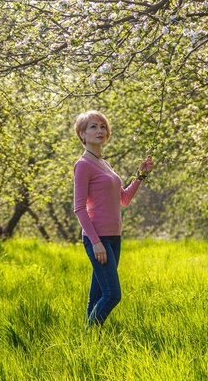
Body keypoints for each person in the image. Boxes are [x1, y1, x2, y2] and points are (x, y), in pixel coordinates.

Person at [73, 110, 153, 329]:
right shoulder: (83, 165)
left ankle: (90, 344)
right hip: (97, 238)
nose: (100, 130)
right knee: (112, 294)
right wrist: (96, 242)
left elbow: (124, 199)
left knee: (97, 294)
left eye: (102, 126)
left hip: (114, 237)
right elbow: (79, 208)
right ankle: (90, 334)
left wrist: (140, 176)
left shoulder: (104, 163)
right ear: (82, 134)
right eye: (93, 127)